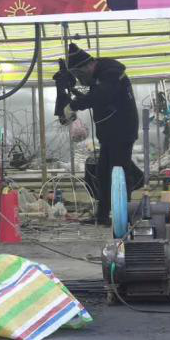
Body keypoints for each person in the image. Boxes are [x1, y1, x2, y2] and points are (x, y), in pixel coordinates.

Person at [63, 43, 142, 226]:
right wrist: (73, 94)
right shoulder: (99, 76)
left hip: (122, 132)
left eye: (80, 74)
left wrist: (74, 105)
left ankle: (123, 215)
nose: (80, 78)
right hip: (109, 134)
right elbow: (97, 96)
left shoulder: (111, 73)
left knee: (119, 173)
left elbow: (101, 96)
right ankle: (102, 216)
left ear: (89, 66)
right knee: (103, 173)